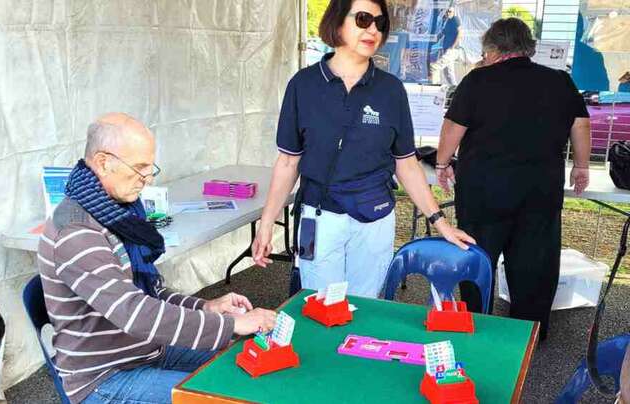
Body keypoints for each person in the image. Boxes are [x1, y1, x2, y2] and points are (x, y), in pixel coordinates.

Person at [37, 113, 277, 404]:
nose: (148, 179)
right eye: (139, 168)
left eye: (151, 168)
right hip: (104, 378)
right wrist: (233, 325)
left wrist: (207, 306)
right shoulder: (75, 230)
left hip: (145, 349)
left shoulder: (114, 211)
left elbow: (151, 292)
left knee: (239, 363)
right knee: (218, 396)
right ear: (103, 162)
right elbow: (134, 312)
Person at [252, 0, 474, 298]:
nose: (373, 30)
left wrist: (440, 222)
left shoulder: (391, 90)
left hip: (375, 219)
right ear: (337, 22)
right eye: (363, 19)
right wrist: (266, 223)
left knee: (365, 308)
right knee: (321, 309)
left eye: (380, 23)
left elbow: (405, 163)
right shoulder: (303, 85)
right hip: (320, 217)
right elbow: (288, 163)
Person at [436, 18, 591, 340]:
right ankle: (529, 331)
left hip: (484, 189)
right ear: (528, 48)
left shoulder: (478, 80)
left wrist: (442, 162)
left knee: (477, 256)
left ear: (492, 49)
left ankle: (475, 323)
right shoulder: (559, 81)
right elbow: (581, 125)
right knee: (535, 263)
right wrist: (581, 167)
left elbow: (454, 126)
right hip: (540, 189)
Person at [430, 7, 462, 85]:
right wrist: (431, 42)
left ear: (454, 12)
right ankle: (454, 88)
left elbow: (460, 33)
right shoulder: (447, 21)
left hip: (452, 50)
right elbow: (442, 33)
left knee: (434, 67)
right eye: (447, 12)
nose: (448, 13)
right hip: (446, 49)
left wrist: (453, 46)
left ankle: (435, 85)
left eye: (450, 12)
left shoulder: (455, 19)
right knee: (448, 72)